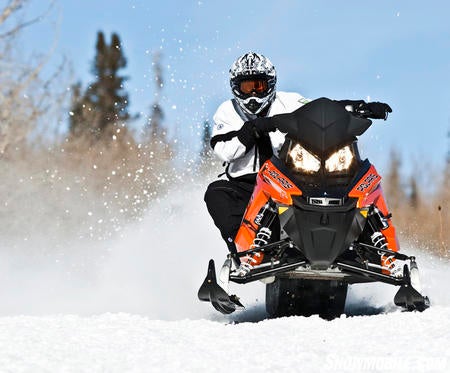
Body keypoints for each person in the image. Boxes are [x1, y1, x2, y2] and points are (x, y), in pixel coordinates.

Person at [204, 52, 309, 267]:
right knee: (216, 193)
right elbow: (224, 150)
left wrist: (353, 108)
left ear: (270, 84)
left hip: (291, 180)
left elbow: (319, 109)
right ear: (236, 88)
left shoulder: (290, 101)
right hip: (247, 187)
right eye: (246, 88)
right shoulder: (227, 111)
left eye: (258, 87)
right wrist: (251, 130)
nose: (253, 95)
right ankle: (243, 254)